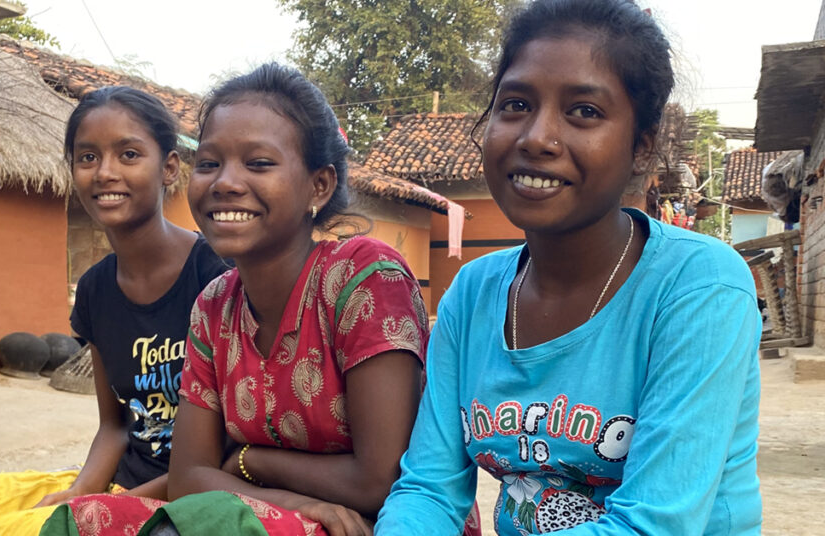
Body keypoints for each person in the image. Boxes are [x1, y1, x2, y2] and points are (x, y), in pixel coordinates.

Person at [376, 1, 762, 534]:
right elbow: (429, 489)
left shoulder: (699, 286)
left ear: (641, 147)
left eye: (584, 111)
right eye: (515, 104)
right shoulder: (472, 294)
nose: (535, 137)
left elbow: (652, 525)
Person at [41, 63, 462, 536]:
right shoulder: (214, 306)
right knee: (77, 525)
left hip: (380, 524)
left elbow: (381, 478)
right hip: (273, 512)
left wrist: (248, 460)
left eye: (258, 163)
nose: (225, 182)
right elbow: (187, 477)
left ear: (318, 186)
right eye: (210, 163)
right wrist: (284, 495)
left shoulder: (362, 279)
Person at [0, 86, 228, 536]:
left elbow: (229, 444)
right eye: (87, 158)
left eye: (128, 154)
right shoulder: (94, 291)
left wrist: (99, 507)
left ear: (168, 168)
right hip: (121, 484)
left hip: (193, 493)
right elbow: (114, 426)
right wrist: (82, 492)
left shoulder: (215, 275)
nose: (105, 172)